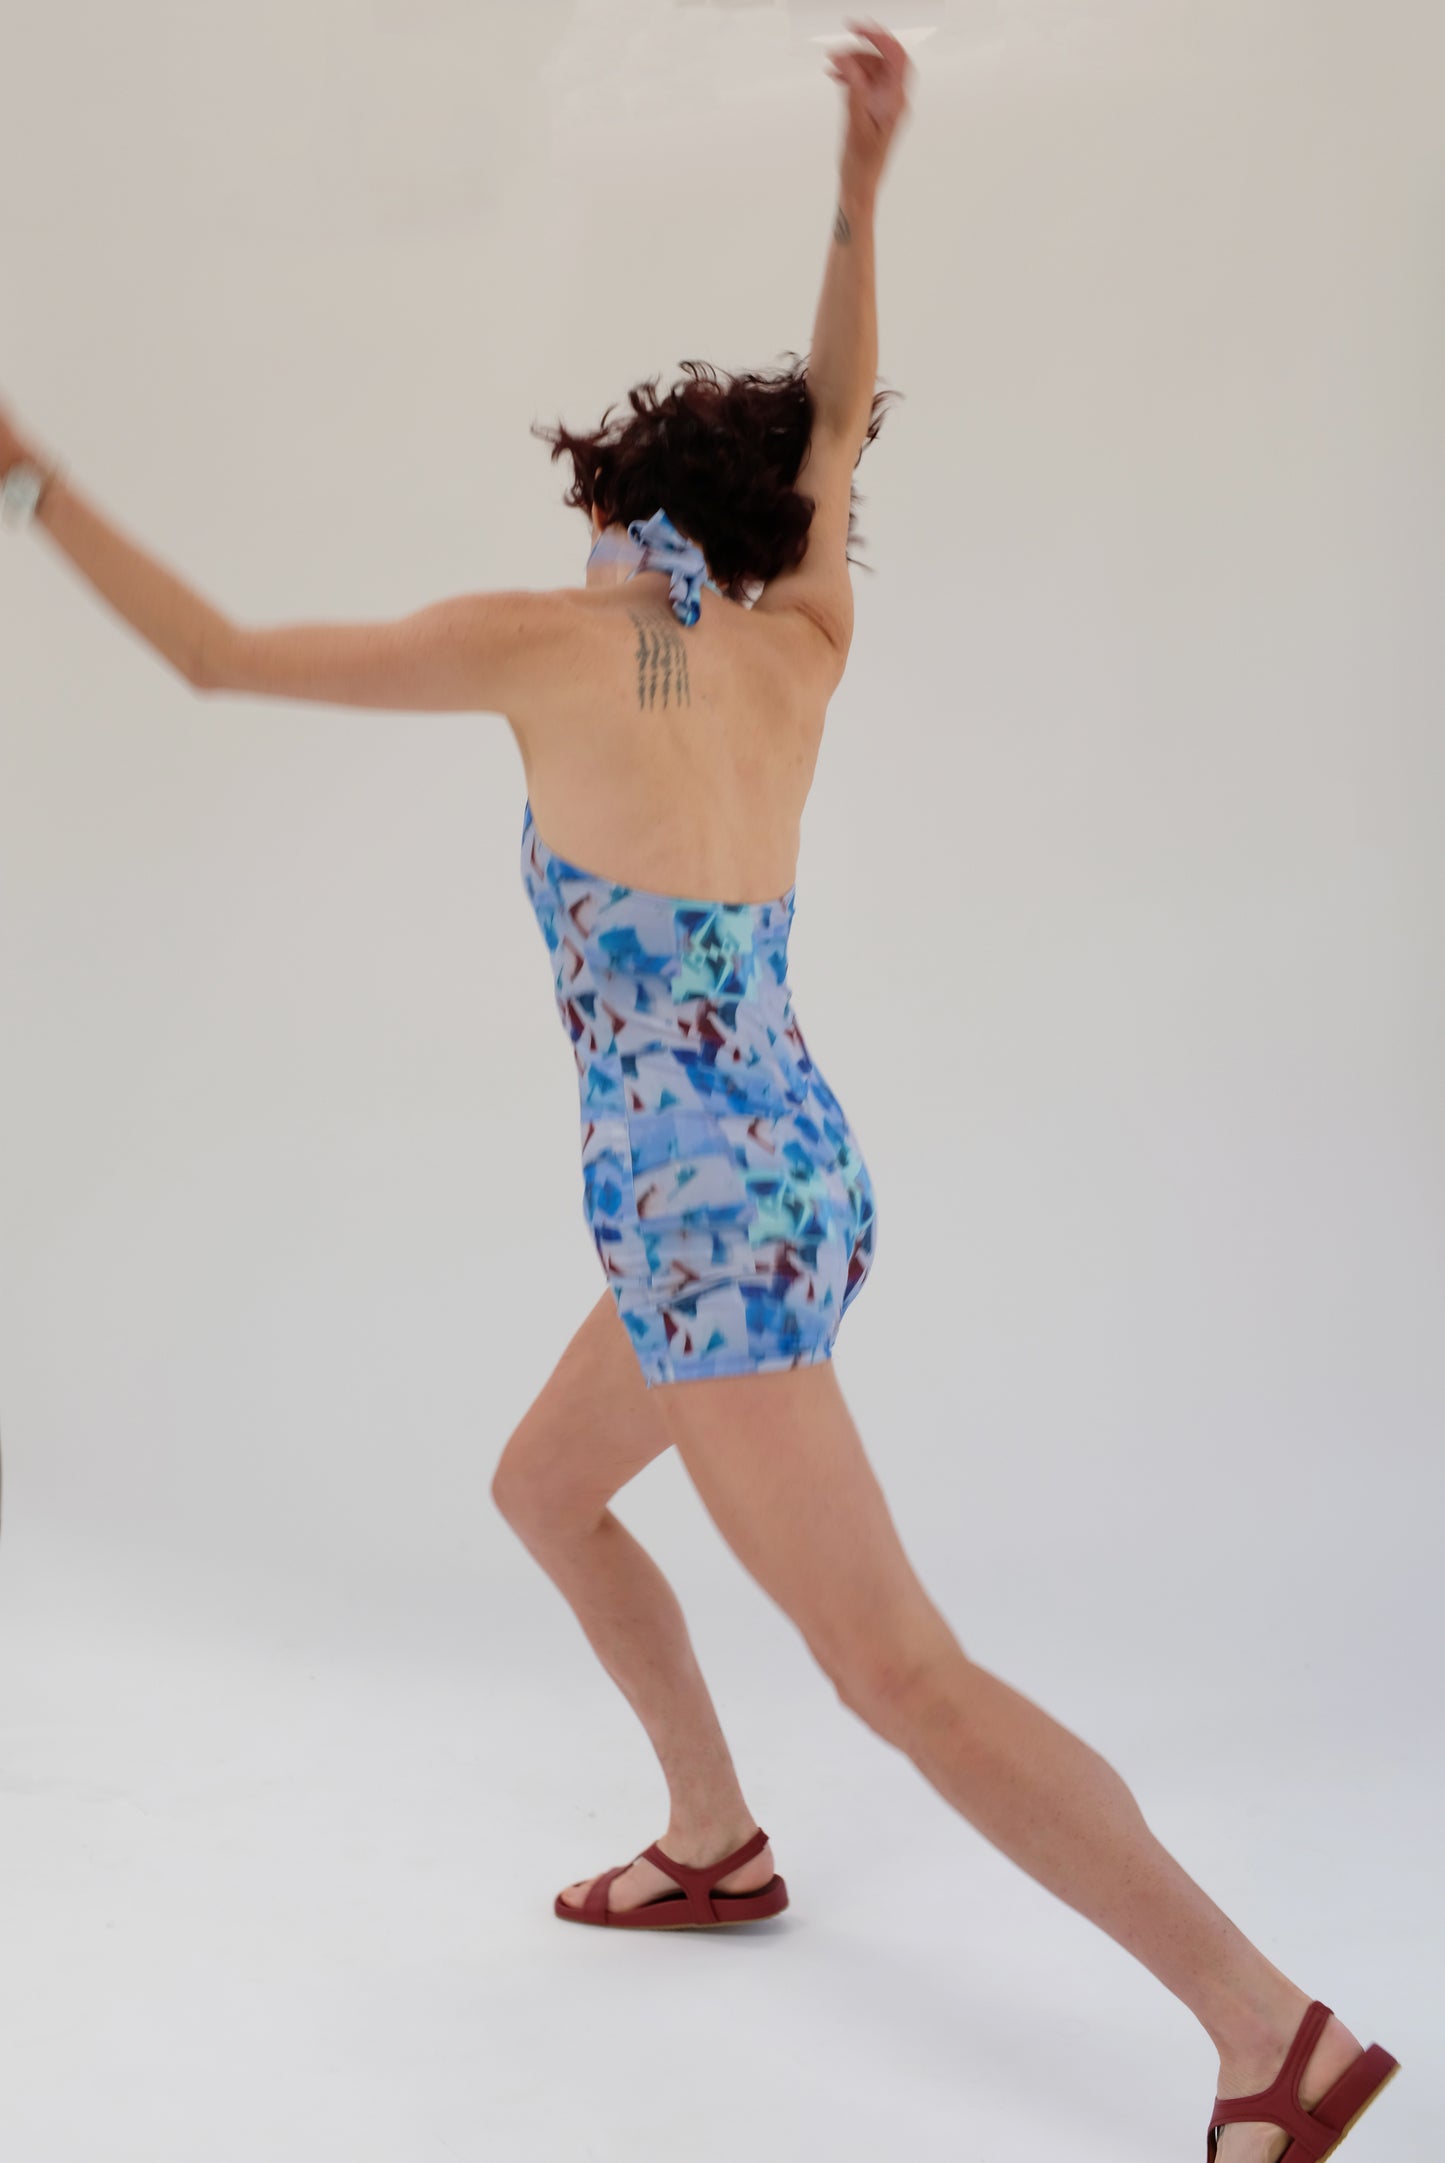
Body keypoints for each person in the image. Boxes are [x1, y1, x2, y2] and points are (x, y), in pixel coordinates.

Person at [0, 19, 1399, 2161]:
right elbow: (836, 419)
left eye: (588, 508)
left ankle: (1264, 2032)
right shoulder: (794, 639)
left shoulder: (553, 645)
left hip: (702, 1221)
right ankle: (715, 1838)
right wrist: (861, 186)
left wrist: (28, 477)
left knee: (899, 1672)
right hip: (798, 1173)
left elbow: (213, 653)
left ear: (621, 510)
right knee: (547, 1486)